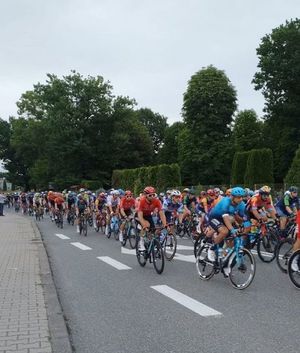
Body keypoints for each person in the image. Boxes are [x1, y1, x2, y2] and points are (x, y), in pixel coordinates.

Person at [137, 186, 167, 251]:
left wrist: (165, 224)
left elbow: (161, 213)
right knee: (146, 225)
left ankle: (150, 242)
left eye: (154, 195)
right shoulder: (142, 201)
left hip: (148, 215)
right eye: (150, 195)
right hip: (140, 215)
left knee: (153, 231)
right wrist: (144, 225)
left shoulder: (157, 201)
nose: (152, 197)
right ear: (145, 195)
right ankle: (141, 242)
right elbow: (140, 215)